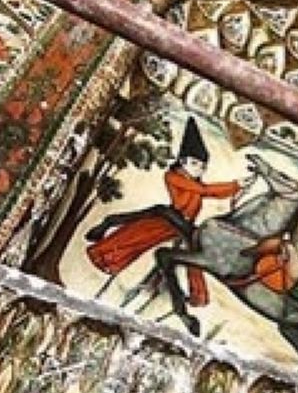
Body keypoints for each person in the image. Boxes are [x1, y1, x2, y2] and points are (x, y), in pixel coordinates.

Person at [85, 118, 252, 306]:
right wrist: (235, 185)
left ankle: (198, 296)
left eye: (203, 166)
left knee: (194, 252)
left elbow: (210, 192)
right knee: (136, 236)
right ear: (182, 161)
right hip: (171, 219)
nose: (200, 169)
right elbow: (205, 190)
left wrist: (237, 188)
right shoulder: (173, 177)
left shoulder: (194, 182)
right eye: (195, 163)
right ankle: (106, 256)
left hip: (182, 223)